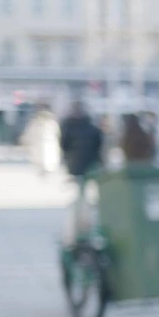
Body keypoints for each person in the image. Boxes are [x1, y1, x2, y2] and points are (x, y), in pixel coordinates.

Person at [59, 101, 105, 242]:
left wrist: (66, 160)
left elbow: (63, 145)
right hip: (89, 166)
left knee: (80, 196)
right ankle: (84, 225)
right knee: (85, 196)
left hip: (76, 166)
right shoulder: (91, 128)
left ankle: (79, 227)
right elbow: (99, 146)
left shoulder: (68, 127)